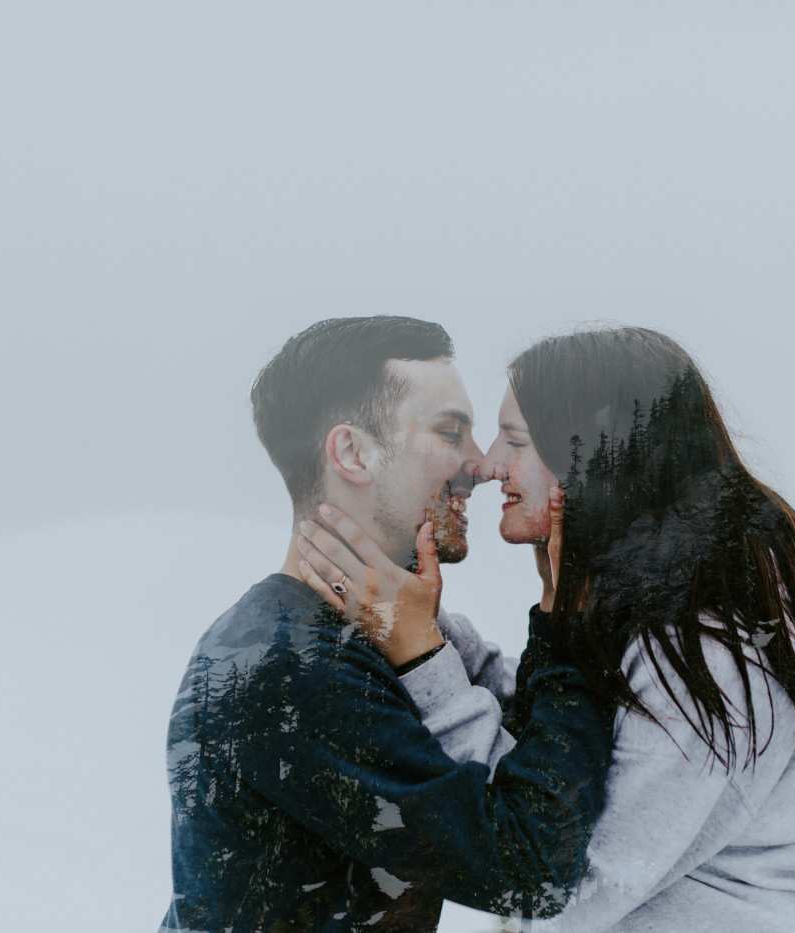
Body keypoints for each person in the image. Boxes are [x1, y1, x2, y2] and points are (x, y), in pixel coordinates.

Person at [308, 325, 795, 931]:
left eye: (516, 440)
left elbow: (564, 891)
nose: (490, 464)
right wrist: (436, 630)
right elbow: (557, 752)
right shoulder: (646, 616)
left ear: (597, 455)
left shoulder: (707, 653)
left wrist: (424, 656)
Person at [159, 316, 612, 932]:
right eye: (452, 431)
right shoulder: (288, 665)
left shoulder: (363, 635)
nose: (480, 464)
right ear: (352, 453)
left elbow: (547, 766)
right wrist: (564, 624)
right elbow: (529, 870)